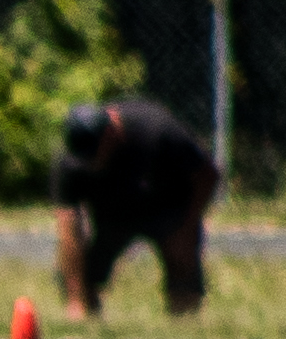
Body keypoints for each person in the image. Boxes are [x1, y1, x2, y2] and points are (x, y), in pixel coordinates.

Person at [51, 96, 220, 317]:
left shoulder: (157, 129)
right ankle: (88, 323)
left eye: (96, 154)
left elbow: (207, 175)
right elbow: (68, 228)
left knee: (181, 255)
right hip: (113, 213)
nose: (91, 163)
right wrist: (76, 301)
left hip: (166, 203)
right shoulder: (73, 161)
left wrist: (189, 220)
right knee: (80, 269)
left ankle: (184, 327)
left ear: (111, 133)